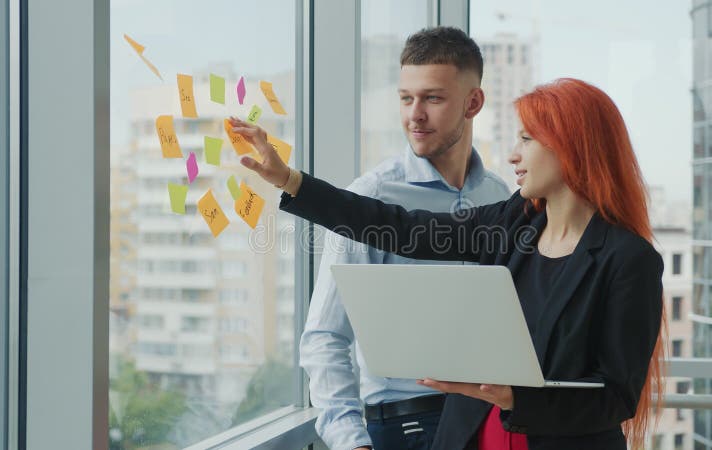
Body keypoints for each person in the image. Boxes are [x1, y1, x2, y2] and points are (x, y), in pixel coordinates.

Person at [231, 77, 667, 450]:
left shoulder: (629, 260)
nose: (514, 155)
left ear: (572, 148)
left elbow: (616, 397)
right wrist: (290, 180)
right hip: (472, 437)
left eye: (527, 140)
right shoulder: (515, 221)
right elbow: (401, 227)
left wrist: (518, 399)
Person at [297, 27, 509, 450]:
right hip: (408, 429)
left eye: (432, 98)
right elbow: (325, 336)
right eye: (405, 98)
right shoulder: (371, 198)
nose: (414, 115)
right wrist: (350, 442)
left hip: (494, 421)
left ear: (473, 103)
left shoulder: (500, 197)